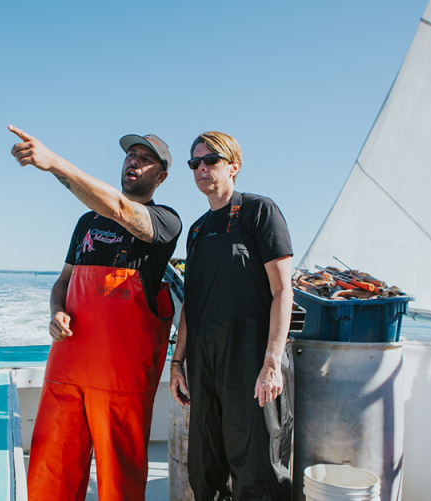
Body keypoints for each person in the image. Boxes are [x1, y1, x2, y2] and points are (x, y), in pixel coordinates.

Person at [8, 125, 182, 501]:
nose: (134, 161)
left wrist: (54, 163)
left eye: (145, 159)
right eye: (130, 155)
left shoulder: (166, 222)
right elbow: (63, 282)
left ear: (161, 176)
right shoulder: (87, 223)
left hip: (122, 379)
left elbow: (119, 207)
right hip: (66, 368)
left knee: (119, 479)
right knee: (51, 469)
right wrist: (56, 312)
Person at [169, 131, 293, 501]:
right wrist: (177, 364)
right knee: (205, 466)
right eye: (195, 163)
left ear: (233, 166)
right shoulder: (196, 230)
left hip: (250, 356)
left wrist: (271, 361)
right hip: (204, 362)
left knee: (258, 467)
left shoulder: (259, 212)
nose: (201, 168)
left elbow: (282, 291)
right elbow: (192, 303)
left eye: (211, 161)